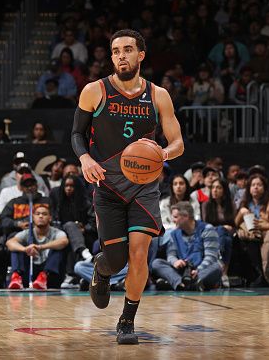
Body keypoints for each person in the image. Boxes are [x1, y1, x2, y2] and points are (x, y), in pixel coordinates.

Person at [71, 29, 184, 344]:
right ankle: (102, 268)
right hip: (107, 185)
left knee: (139, 253)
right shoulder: (95, 90)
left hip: (144, 186)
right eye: (116, 51)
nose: (121, 55)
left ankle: (127, 320)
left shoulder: (158, 95)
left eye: (128, 49)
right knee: (117, 258)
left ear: (141, 55)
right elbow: (76, 134)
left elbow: (178, 143)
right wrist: (85, 160)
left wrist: (162, 152)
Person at [152, 202, 222, 291]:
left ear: (186, 216)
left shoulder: (207, 229)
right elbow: (171, 254)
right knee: (157, 263)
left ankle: (176, 284)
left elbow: (211, 257)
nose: (173, 220)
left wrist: (198, 270)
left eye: (175, 217)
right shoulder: (174, 233)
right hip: (182, 271)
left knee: (217, 267)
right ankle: (183, 283)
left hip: (201, 270)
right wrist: (175, 262)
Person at [5, 205, 69, 289]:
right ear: (33, 218)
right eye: (38, 214)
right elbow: (9, 242)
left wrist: (40, 247)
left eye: (44, 214)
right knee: (16, 248)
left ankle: (43, 277)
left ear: (50, 218)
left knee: (58, 249)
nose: (41, 216)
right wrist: (25, 249)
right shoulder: (27, 232)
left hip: (51, 275)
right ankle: (16, 277)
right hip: (30, 272)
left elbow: (64, 241)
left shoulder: (57, 232)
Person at [202, 178, 236, 287]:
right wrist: (222, 227)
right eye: (213, 187)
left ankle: (220, 262)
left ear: (224, 190)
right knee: (226, 239)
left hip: (229, 233)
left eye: (218, 187)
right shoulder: (206, 205)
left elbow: (234, 224)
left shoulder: (231, 205)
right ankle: (224, 273)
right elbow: (205, 225)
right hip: (211, 234)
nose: (215, 190)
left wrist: (227, 228)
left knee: (226, 236)